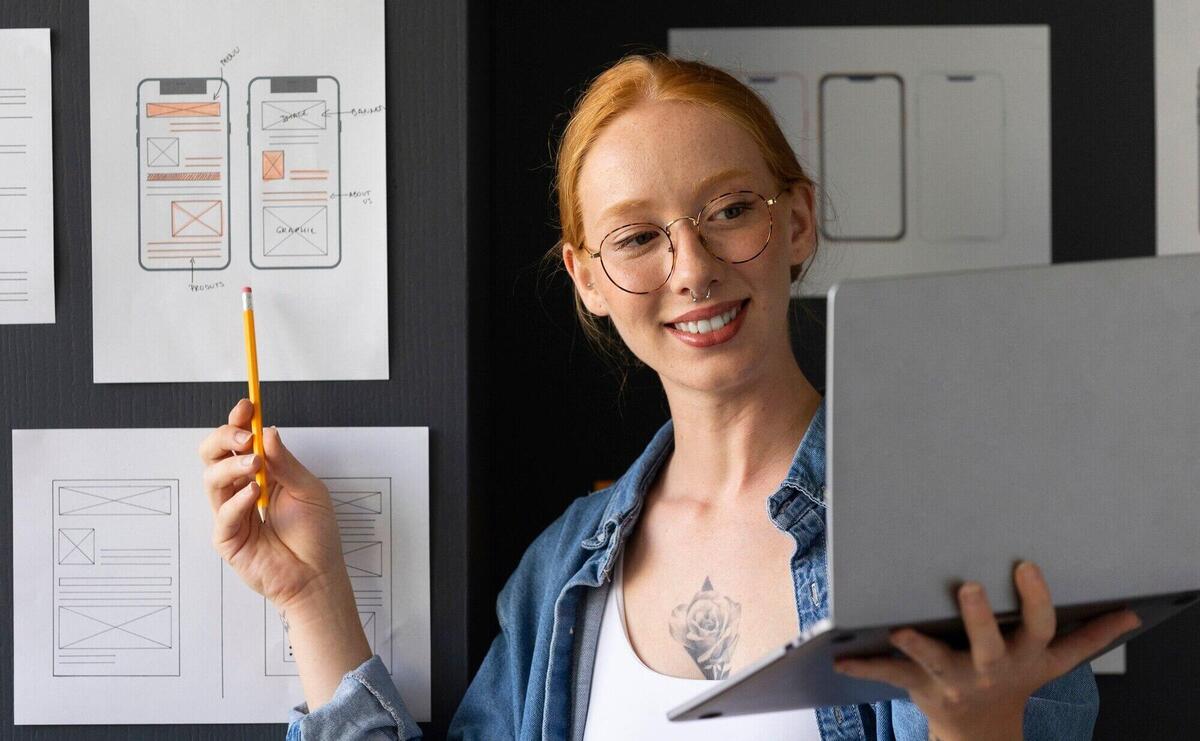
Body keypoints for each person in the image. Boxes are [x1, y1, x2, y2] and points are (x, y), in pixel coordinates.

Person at [198, 54, 1140, 740]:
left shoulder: (959, 529)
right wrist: (313, 593)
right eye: (636, 237)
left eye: (729, 210)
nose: (691, 267)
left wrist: (978, 729)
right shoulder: (561, 569)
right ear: (588, 281)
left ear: (798, 219)